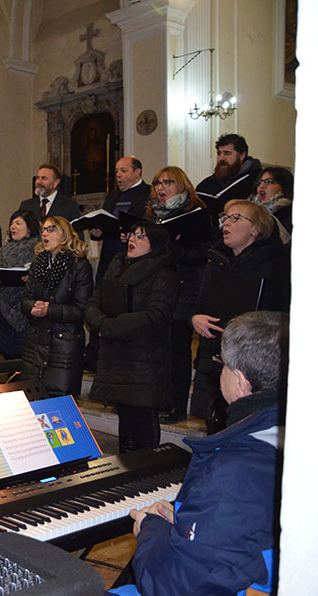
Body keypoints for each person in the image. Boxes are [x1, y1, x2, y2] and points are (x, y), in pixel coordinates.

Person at [111, 311, 288, 596]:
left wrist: (150, 530)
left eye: (223, 364)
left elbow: (171, 586)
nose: (220, 371)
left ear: (241, 382)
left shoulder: (238, 467)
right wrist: (185, 526)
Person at [190, 200, 290, 432]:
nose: (226, 222)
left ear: (256, 228)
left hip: (252, 361)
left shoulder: (277, 265)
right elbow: (197, 306)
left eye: (236, 218)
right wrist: (195, 318)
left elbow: (279, 316)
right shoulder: (215, 259)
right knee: (213, 423)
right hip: (213, 357)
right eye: (225, 217)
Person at [86, 222, 179, 452]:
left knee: (142, 420)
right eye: (132, 235)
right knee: (125, 420)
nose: (132, 240)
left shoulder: (164, 274)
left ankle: (146, 471)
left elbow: (157, 314)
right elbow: (94, 301)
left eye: (141, 236)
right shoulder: (117, 266)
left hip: (144, 356)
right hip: (117, 355)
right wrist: (100, 323)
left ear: (155, 245)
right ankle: (126, 465)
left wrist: (111, 326)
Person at [145, 167, 212, 423]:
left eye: (168, 182)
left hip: (184, 288)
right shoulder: (152, 215)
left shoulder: (194, 215)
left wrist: (172, 246)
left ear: (182, 185)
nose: (161, 188)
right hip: (155, 290)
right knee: (157, 350)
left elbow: (201, 255)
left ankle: (176, 406)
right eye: (158, 183)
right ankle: (159, 400)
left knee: (178, 351)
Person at [20, 216, 93, 398]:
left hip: (64, 345)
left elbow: (81, 309)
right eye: (43, 229)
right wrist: (32, 307)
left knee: (60, 406)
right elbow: (26, 299)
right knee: (32, 402)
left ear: (65, 234)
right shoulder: (38, 263)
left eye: (51, 229)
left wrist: (49, 309)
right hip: (36, 344)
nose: (45, 233)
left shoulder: (79, 266)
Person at [0, 209, 39, 358]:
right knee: (7, 359)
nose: (13, 226)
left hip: (25, 310)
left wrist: (30, 279)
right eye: (12, 223)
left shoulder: (38, 248)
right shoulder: (4, 249)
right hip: (3, 311)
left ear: (29, 228)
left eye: (18, 223)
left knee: (24, 359)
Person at [91, 156, 151, 281]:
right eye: (117, 171)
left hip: (135, 256)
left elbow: (150, 224)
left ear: (137, 172)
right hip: (110, 256)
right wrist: (98, 231)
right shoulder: (112, 196)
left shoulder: (149, 193)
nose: (118, 175)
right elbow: (105, 220)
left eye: (123, 171)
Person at [195, 133, 262, 222]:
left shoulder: (257, 181)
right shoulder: (205, 185)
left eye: (227, 153)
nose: (221, 158)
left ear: (242, 155)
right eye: (219, 153)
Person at [251, 166, 293, 238]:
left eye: (269, 182)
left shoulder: (288, 214)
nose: (262, 186)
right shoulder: (248, 207)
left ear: (284, 186)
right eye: (259, 182)